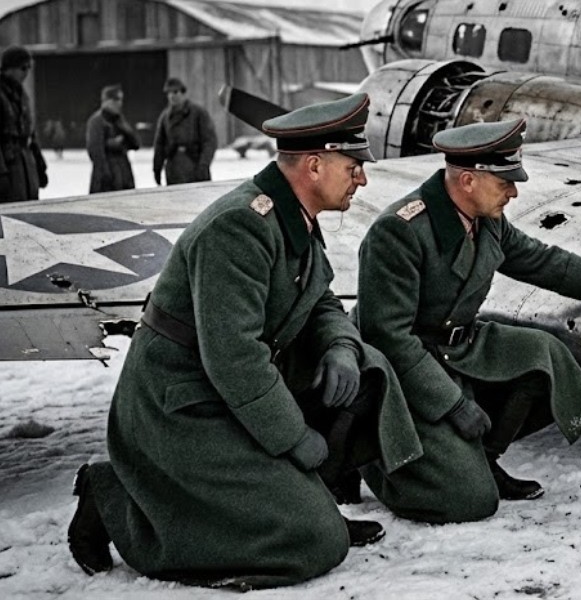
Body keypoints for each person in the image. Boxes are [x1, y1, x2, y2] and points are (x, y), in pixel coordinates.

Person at [67, 93, 424, 590]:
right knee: (315, 545)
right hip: (182, 406)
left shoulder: (290, 214)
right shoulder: (238, 227)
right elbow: (234, 357)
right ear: (316, 166)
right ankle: (112, 497)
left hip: (230, 389)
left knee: (369, 368)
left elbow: (320, 302)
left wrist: (342, 347)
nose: (362, 178)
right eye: (353, 165)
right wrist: (296, 439)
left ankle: (299, 500)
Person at [355, 118, 581, 522]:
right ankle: (375, 461)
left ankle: (483, 458)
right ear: (468, 180)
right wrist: (453, 406)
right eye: (504, 181)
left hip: (459, 349)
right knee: (470, 502)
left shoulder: (484, 219)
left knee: (546, 356)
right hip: (408, 370)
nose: (514, 191)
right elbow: (388, 339)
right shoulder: (399, 231)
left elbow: (541, 260)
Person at [0, 45, 48, 202]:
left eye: (29, 67)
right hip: (9, 167)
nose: (27, 72)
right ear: (8, 68)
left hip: (26, 166)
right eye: (23, 68)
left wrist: (40, 165)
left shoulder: (22, 95)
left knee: (28, 212)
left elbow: (31, 134)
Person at [153, 77, 218, 185]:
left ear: (183, 93)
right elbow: (159, 144)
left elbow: (210, 141)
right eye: (168, 93)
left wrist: (203, 165)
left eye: (175, 92)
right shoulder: (165, 117)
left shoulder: (198, 113)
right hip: (173, 169)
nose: (172, 96)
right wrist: (157, 168)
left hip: (195, 165)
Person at [86, 84, 140, 193]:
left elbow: (136, 144)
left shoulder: (119, 120)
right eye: (116, 99)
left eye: (120, 99)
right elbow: (96, 152)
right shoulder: (97, 121)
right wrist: (106, 175)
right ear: (106, 100)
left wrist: (125, 130)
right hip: (107, 177)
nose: (119, 103)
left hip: (123, 174)